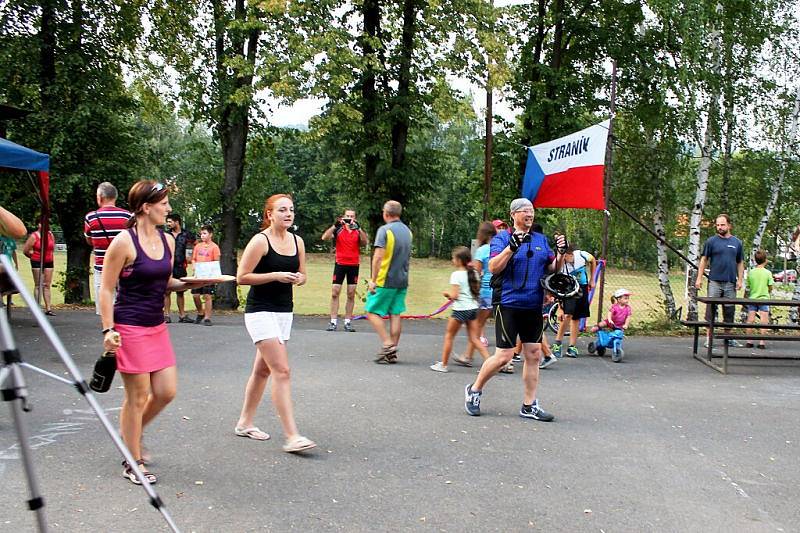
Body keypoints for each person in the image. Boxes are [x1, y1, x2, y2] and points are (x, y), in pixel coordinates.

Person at [99, 180, 211, 484]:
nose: (169, 209)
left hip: (156, 326)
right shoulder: (123, 242)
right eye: (163, 203)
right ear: (146, 208)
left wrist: (193, 283)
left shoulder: (168, 241)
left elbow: (164, 283)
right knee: (137, 397)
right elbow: (107, 290)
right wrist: (108, 329)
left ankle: (130, 435)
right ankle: (132, 461)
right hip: (129, 326)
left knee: (166, 392)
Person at [464, 198, 565, 421]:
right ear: (514, 214)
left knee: (534, 354)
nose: (530, 214)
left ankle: (529, 405)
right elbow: (493, 267)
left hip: (533, 304)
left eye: (532, 210)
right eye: (525, 211)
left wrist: (559, 253)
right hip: (508, 303)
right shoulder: (501, 238)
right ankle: (474, 390)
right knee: (504, 356)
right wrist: (511, 247)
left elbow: (551, 267)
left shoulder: (540, 239)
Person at [234, 194, 316, 453]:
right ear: (269, 214)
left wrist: (296, 279)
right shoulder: (260, 241)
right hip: (259, 312)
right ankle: (292, 436)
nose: (288, 214)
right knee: (282, 370)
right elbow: (241, 277)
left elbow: (303, 275)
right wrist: (275, 276)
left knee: (263, 371)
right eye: (282, 210)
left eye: (291, 210)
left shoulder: (297, 241)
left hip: (284, 312)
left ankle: (244, 423)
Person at [366, 200, 413, 364]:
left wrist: (373, 280)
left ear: (385, 213)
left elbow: (378, 257)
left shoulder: (385, 230)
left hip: (385, 279)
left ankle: (387, 344)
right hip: (402, 279)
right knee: (395, 314)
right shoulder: (408, 231)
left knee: (371, 312)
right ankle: (392, 352)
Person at [431, 246, 490, 372]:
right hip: (473, 309)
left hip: (460, 310)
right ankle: (490, 363)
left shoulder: (456, 275)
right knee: (474, 338)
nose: (452, 260)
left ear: (459, 260)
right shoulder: (474, 273)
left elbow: (455, 296)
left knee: (449, 336)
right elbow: (475, 290)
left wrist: (447, 294)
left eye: (453, 258)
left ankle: (444, 365)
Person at [694, 213, 744, 348]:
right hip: (714, 282)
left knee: (729, 310)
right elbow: (704, 259)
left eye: (722, 225)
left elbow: (740, 262)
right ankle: (709, 339)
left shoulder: (737, 243)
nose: (720, 227)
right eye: (718, 225)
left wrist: (740, 280)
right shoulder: (711, 242)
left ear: (729, 225)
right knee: (711, 309)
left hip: (730, 283)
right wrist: (699, 277)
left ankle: (728, 338)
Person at [85, 182, 132, 314]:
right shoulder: (127, 216)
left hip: (102, 268)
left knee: (106, 310)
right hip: (124, 268)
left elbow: (90, 241)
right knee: (125, 309)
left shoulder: (91, 217)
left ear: (100, 197)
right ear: (115, 197)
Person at [321, 208, 368, 332]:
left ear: (355, 218)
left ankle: (347, 322)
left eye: (352, 216)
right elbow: (324, 237)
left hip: (353, 264)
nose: (349, 218)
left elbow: (365, 242)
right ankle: (333, 322)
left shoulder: (357, 230)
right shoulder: (338, 229)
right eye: (347, 216)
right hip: (340, 263)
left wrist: (359, 228)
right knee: (335, 292)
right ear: (343, 217)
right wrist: (335, 225)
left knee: (351, 293)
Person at [457, 222, 496, 366]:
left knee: (477, 326)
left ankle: (474, 357)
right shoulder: (500, 248)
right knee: (481, 325)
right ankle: (469, 355)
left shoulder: (482, 250)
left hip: (485, 291)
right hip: (499, 290)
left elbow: (477, 273)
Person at [551, 245, 596, 358]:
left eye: (565, 256)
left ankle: (572, 346)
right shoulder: (561, 265)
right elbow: (558, 285)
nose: (563, 258)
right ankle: (558, 343)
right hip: (568, 289)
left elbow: (593, 260)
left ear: (570, 254)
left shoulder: (581, 255)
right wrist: (560, 308)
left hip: (582, 287)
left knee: (576, 318)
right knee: (567, 315)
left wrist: (592, 279)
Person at [163, 213, 195, 323]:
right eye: (167, 222)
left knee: (180, 290)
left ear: (177, 222)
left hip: (181, 266)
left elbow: (191, 246)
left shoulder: (187, 234)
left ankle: (182, 315)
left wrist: (189, 257)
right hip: (167, 265)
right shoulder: (165, 234)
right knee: (167, 291)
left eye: (170, 221)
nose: (168, 224)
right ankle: (166, 315)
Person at [22, 223, 55, 315]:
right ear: (38, 225)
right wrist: (34, 257)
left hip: (49, 261)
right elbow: (25, 250)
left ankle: (48, 308)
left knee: (47, 285)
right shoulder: (34, 236)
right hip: (37, 261)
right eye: (41, 223)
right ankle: (37, 308)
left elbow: (52, 248)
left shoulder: (50, 234)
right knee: (38, 285)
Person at [191, 225, 221, 326]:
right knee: (195, 295)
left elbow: (216, 262)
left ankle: (207, 318)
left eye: (205, 233)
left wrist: (213, 275)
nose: (202, 236)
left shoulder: (214, 247)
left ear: (210, 234)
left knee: (207, 295)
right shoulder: (198, 246)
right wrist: (194, 266)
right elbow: (193, 259)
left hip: (209, 275)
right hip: (198, 274)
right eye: (201, 234)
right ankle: (200, 312)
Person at [745, 250, 773, 349]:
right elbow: (770, 286)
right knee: (764, 320)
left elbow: (748, 286)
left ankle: (749, 341)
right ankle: (762, 342)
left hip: (753, 298)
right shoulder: (768, 273)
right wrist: (768, 291)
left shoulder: (751, 272)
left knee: (750, 320)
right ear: (765, 260)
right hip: (764, 298)